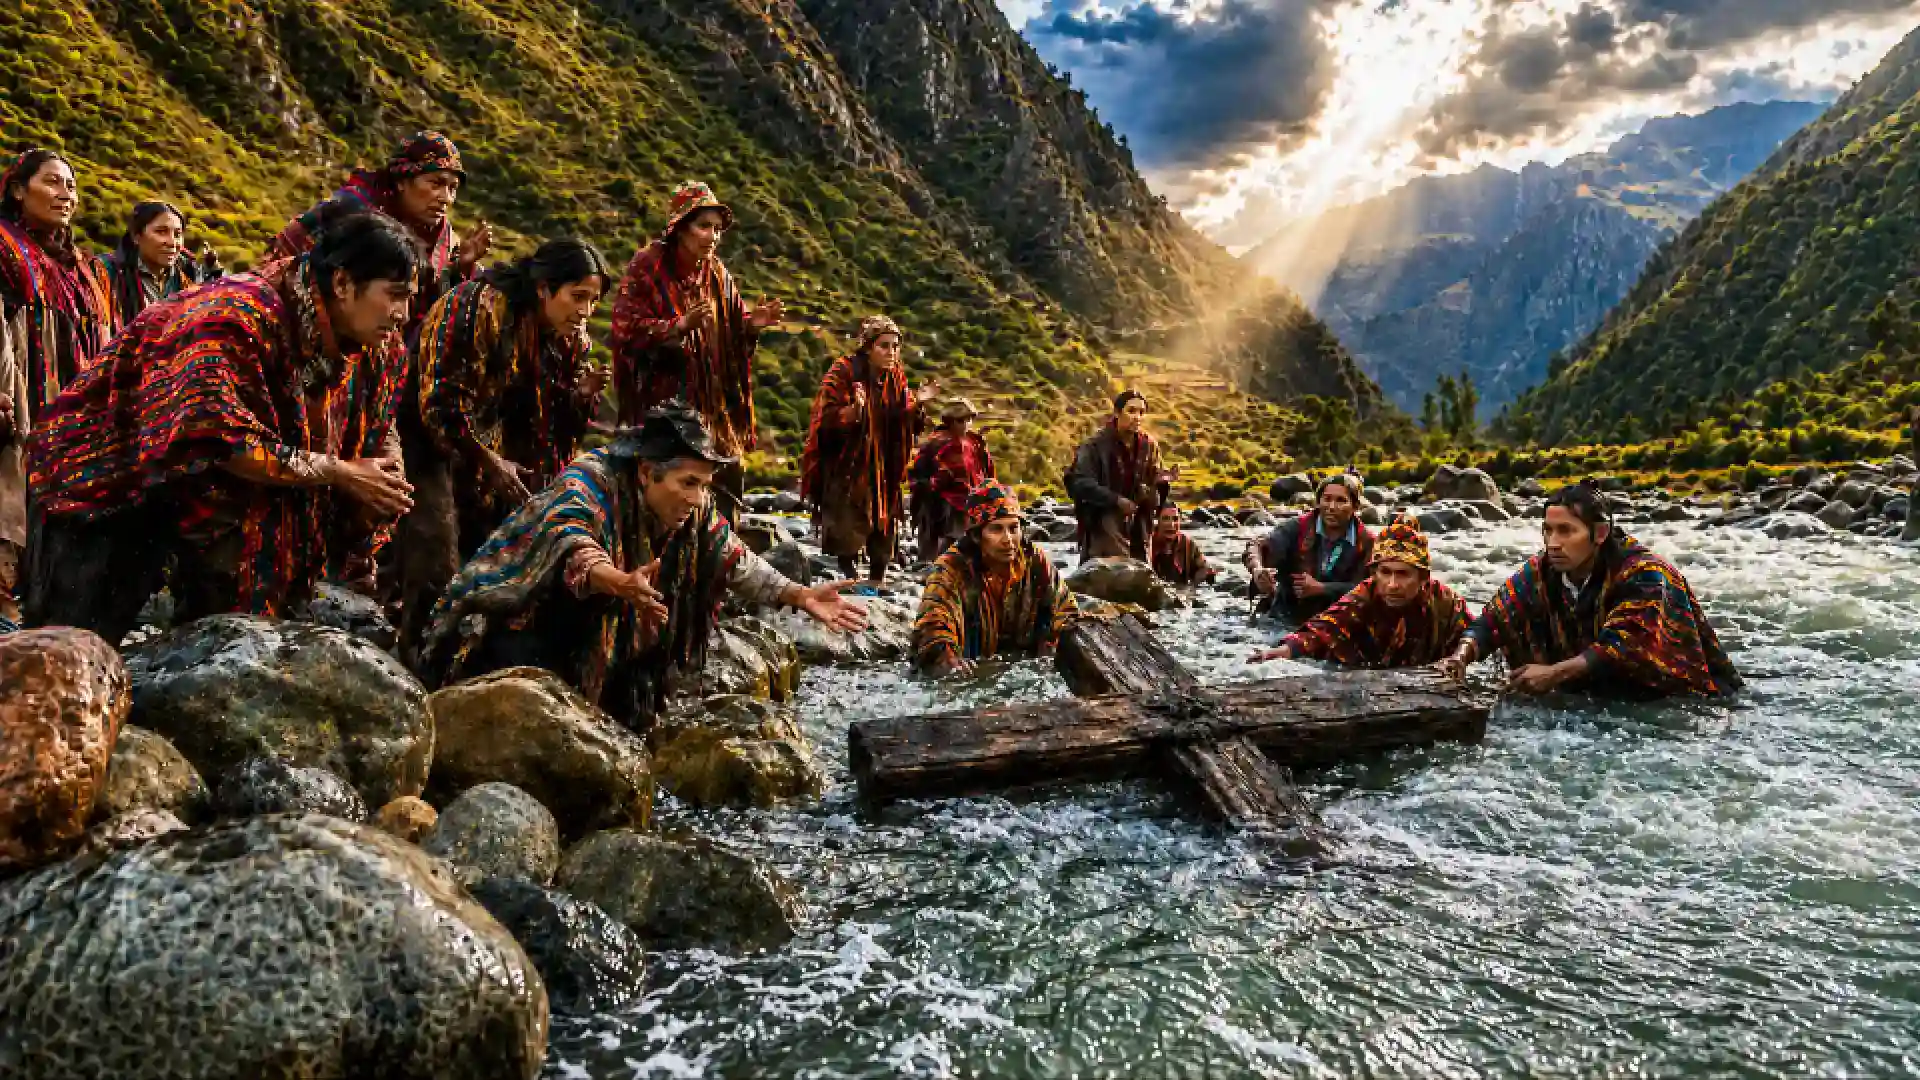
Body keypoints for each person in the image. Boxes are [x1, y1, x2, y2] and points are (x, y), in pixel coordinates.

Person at [24, 210, 419, 645]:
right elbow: (216, 439)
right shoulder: (233, 320)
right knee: (70, 645)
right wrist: (340, 472)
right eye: (394, 296)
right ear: (343, 283)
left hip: (217, 496)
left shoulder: (373, 340)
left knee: (227, 643)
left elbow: (381, 418)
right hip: (104, 479)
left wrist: (386, 465)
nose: (403, 314)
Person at [418, 405, 868, 731]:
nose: (696, 498)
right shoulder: (589, 478)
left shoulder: (695, 510)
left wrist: (799, 595)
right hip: (526, 622)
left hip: (610, 634)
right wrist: (613, 579)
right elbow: (569, 539)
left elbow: (734, 558)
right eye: (687, 483)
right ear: (647, 472)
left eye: (704, 485)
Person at [391, 238, 613, 657]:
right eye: (578, 297)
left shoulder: (569, 339)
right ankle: (417, 665)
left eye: (594, 301)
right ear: (545, 288)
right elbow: (440, 398)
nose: (586, 311)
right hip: (420, 432)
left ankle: (469, 661)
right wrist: (487, 461)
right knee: (435, 549)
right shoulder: (479, 308)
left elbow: (545, 422)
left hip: (488, 448)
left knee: (496, 552)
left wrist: (578, 398)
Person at [1436, 484, 1742, 698]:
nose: (1553, 542)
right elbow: (1493, 619)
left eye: (1566, 531)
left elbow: (1621, 647)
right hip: (1601, 695)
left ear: (1599, 533)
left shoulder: (1646, 574)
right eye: (1548, 530)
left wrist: (1553, 673)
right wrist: (1460, 658)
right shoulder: (1543, 569)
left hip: (1674, 698)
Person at [609, 181, 783, 514]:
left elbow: (732, 333)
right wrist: (676, 327)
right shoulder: (648, 266)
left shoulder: (718, 274)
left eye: (718, 229)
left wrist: (751, 326)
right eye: (704, 226)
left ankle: (719, 560)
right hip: (663, 409)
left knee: (725, 491)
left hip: (713, 408)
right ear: (679, 228)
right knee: (665, 500)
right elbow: (625, 331)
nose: (713, 236)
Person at [0, 149, 117, 619]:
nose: (65, 194)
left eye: (70, 185)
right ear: (15, 189)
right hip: (18, 404)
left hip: (71, 420)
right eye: (52, 182)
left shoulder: (84, 268)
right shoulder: (4, 249)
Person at [270, 131, 488, 338]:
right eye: (436, 183)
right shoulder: (349, 210)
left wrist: (459, 268)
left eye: (453, 188)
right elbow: (287, 257)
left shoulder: (444, 239)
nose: (446, 198)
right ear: (402, 181)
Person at [800, 315, 937, 583]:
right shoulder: (844, 372)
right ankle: (849, 575)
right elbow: (824, 418)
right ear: (867, 346)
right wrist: (852, 412)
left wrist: (917, 405)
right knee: (848, 518)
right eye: (884, 346)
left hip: (885, 465)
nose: (891, 353)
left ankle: (877, 578)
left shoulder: (896, 378)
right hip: (849, 464)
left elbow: (904, 416)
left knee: (885, 520)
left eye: (895, 347)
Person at [1250, 516, 1468, 668]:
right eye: (1385, 572)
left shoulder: (1446, 601)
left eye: (1403, 574)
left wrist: (1459, 658)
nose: (1392, 584)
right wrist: (1285, 650)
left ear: (1423, 578)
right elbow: (1326, 626)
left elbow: (1477, 636)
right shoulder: (1364, 595)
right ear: (1374, 573)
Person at [912, 481, 1078, 676]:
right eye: (997, 529)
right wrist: (948, 660)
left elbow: (1066, 611)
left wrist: (1057, 648)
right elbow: (932, 623)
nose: (1008, 539)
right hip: (970, 665)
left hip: (1025, 666)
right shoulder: (951, 568)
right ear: (976, 536)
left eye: (1013, 528)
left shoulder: (1035, 561)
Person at [1244, 473, 1372, 622]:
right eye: (1327, 499)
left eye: (1341, 500)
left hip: (1339, 621)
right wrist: (1258, 570)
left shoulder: (1366, 541)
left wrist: (1322, 589)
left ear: (1355, 506)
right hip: (1286, 615)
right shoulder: (1297, 527)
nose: (1331, 507)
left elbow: (1371, 589)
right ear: (1318, 501)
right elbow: (1257, 545)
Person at [1064, 390, 1166, 563]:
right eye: (1131, 411)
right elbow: (1079, 482)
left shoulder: (1149, 445)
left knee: (1140, 572)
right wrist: (1116, 500)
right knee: (1108, 572)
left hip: (1138, 521)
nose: (1137, 417)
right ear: (1117, 413)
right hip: (1103, 519)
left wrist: (1161, 481)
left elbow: (1155, 479)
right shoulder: (1094, 445)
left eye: (1141, 412)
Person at [100, 201, 221, 321]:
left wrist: (214, 270)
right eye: (161, 232)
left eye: (177, 234)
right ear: (136, 236)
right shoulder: (107, 273)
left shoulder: (189, 274)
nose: (172, 242)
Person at [908, 397, 994, 563]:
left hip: (967, 501)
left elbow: (984, 469)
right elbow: (918, 472)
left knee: (962, 539)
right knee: (933, 538)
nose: (966, 424)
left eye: (969, 419)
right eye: (961, 420)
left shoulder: (974, 442)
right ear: (950, 422)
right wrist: (926, 488)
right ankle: (927, 569)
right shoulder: (935, 444)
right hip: (938, 500)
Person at [1149, 504, 1214, 586]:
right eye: (1165, 519)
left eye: (1175, 519)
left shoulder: (1188, 544)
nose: (1171, 524)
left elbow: (1205, 568)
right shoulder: (1147, 543)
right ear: (1157, 521)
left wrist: (1193, 586)